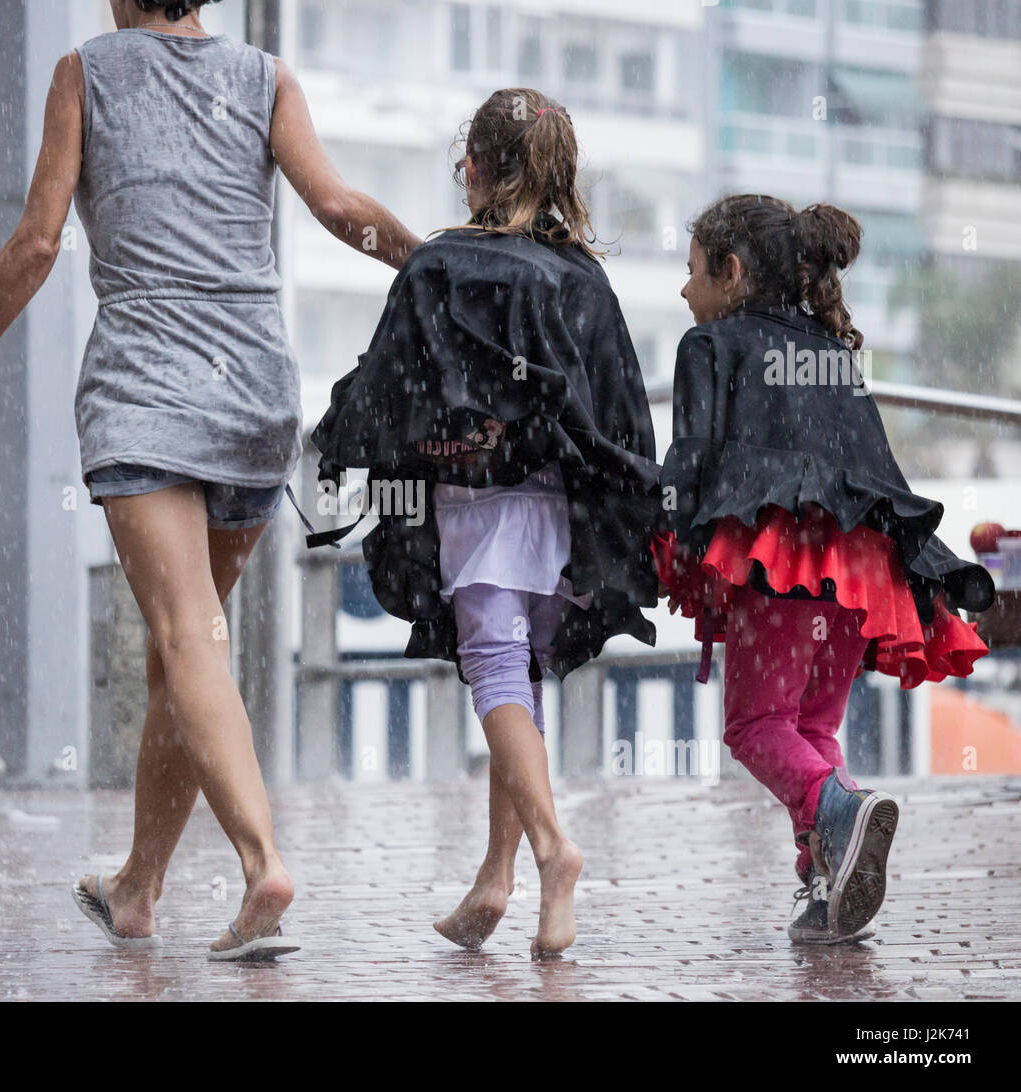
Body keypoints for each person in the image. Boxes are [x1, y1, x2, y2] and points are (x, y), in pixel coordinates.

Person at [0, 0, 420, 959]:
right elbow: (342, 211)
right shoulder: (266, 78)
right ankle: (138, 888)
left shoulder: (83, 72)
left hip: (147, 391)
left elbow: (38, 242)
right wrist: (437, 267)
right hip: (257, 394)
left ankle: (263, 861)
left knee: (187, 635)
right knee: (181, 649)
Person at [312, 89, 660, 957]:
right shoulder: (583, 276)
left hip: (482, 513)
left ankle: (553, 852)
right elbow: (616, 408)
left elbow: (389, 384)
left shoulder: (444, 266)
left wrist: (339, 435)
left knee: (494, 672)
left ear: (477, 169)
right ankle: (497, 881)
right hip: (565, 518)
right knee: (526, 679)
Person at [655, 194, 994, 944]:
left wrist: (661, 531)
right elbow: (877, 474)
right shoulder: (831, 352)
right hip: (861, 570)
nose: (684, 293)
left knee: (754, 726)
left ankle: (834, 809)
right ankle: (825, 888)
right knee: (810, 726)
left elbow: (691, 461)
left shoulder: (710, 346)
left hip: (781, 563)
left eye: (692, 274)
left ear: (732, 271)